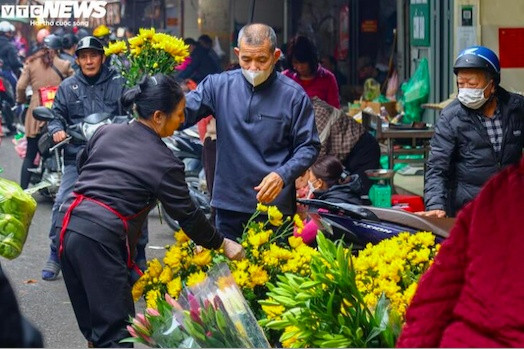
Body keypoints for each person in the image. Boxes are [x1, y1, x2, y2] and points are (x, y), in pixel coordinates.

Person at [56, 73, 244, 347]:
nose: (183, 120)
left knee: (97, 333)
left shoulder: (107, 131)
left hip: (69, 229)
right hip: (102, 240)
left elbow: (86, 166)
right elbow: (188, 216)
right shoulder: (164, 162)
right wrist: (221, 243)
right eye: (180, 114)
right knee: (116, 336)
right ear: (158, 116)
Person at [184, 23, 320, 240]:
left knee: (273, 273)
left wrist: (282, 175)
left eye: (262, 60)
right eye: (246, 59)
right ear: (237, 53)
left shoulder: (294, 96)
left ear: (275, 56)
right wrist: (154, 100)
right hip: (229, 206)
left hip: (274, 210)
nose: (253, 67)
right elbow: (181, 113)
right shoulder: (217, 86)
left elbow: (309, 146)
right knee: (229, 273)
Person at [397, 155, 524, 347]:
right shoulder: (500, 191)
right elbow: (438, 292)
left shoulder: (500, 188)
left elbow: (434, 297)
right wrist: (436, 204)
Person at [42, 36, 126, 281]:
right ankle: (55, 254)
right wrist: (56, 128)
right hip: (77, 157)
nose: (89, 61)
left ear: (102, 58)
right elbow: (56, 115)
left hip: (113, 158)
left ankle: (134, 257)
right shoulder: (68, 87)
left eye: (94, 55)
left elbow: (131, 110)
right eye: (84, 56)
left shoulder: (119, 83)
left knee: (131, 203)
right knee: (62, 202)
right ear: (77, 60)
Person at [420, 46, 524, 218]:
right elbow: (437, 167)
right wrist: (435, 204)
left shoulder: (516, 108)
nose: (466, 90)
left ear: (492, 85)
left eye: (473, 84)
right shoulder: (451, 117)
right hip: (470, 210)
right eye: (461, 84)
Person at [16, 34, 74, 190]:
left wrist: (21, 100)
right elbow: (75, 84)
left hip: (36, 114)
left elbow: (21, 86)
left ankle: (22, 191)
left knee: (30, 154)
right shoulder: (64, 64)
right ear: (58, 49)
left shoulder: (31, 63)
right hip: (59, 112)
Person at [310, 96, 380, 194]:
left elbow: (315, 155)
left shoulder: (318, 113)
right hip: (345, 157)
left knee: (356, 194)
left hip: (362, 150)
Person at [295, 155, 362, 245]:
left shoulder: (330, 207)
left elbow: (300, 237)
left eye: (310, 177)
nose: (307, 181)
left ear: (319, 183)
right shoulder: (344, 195)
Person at [283, 35, 340, 108]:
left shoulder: (328, 78)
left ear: (311, 60)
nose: (300, 67)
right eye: (296, 63)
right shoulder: (285, 78)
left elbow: (335, 110)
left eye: (303, 62)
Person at [0, 21, 23, 104]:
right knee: (17, 86)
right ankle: (15, 104)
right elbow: (15, 63)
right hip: (6, 72)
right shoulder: (10, 46)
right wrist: (21, 64)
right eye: (10, 33)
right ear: (7, 33)